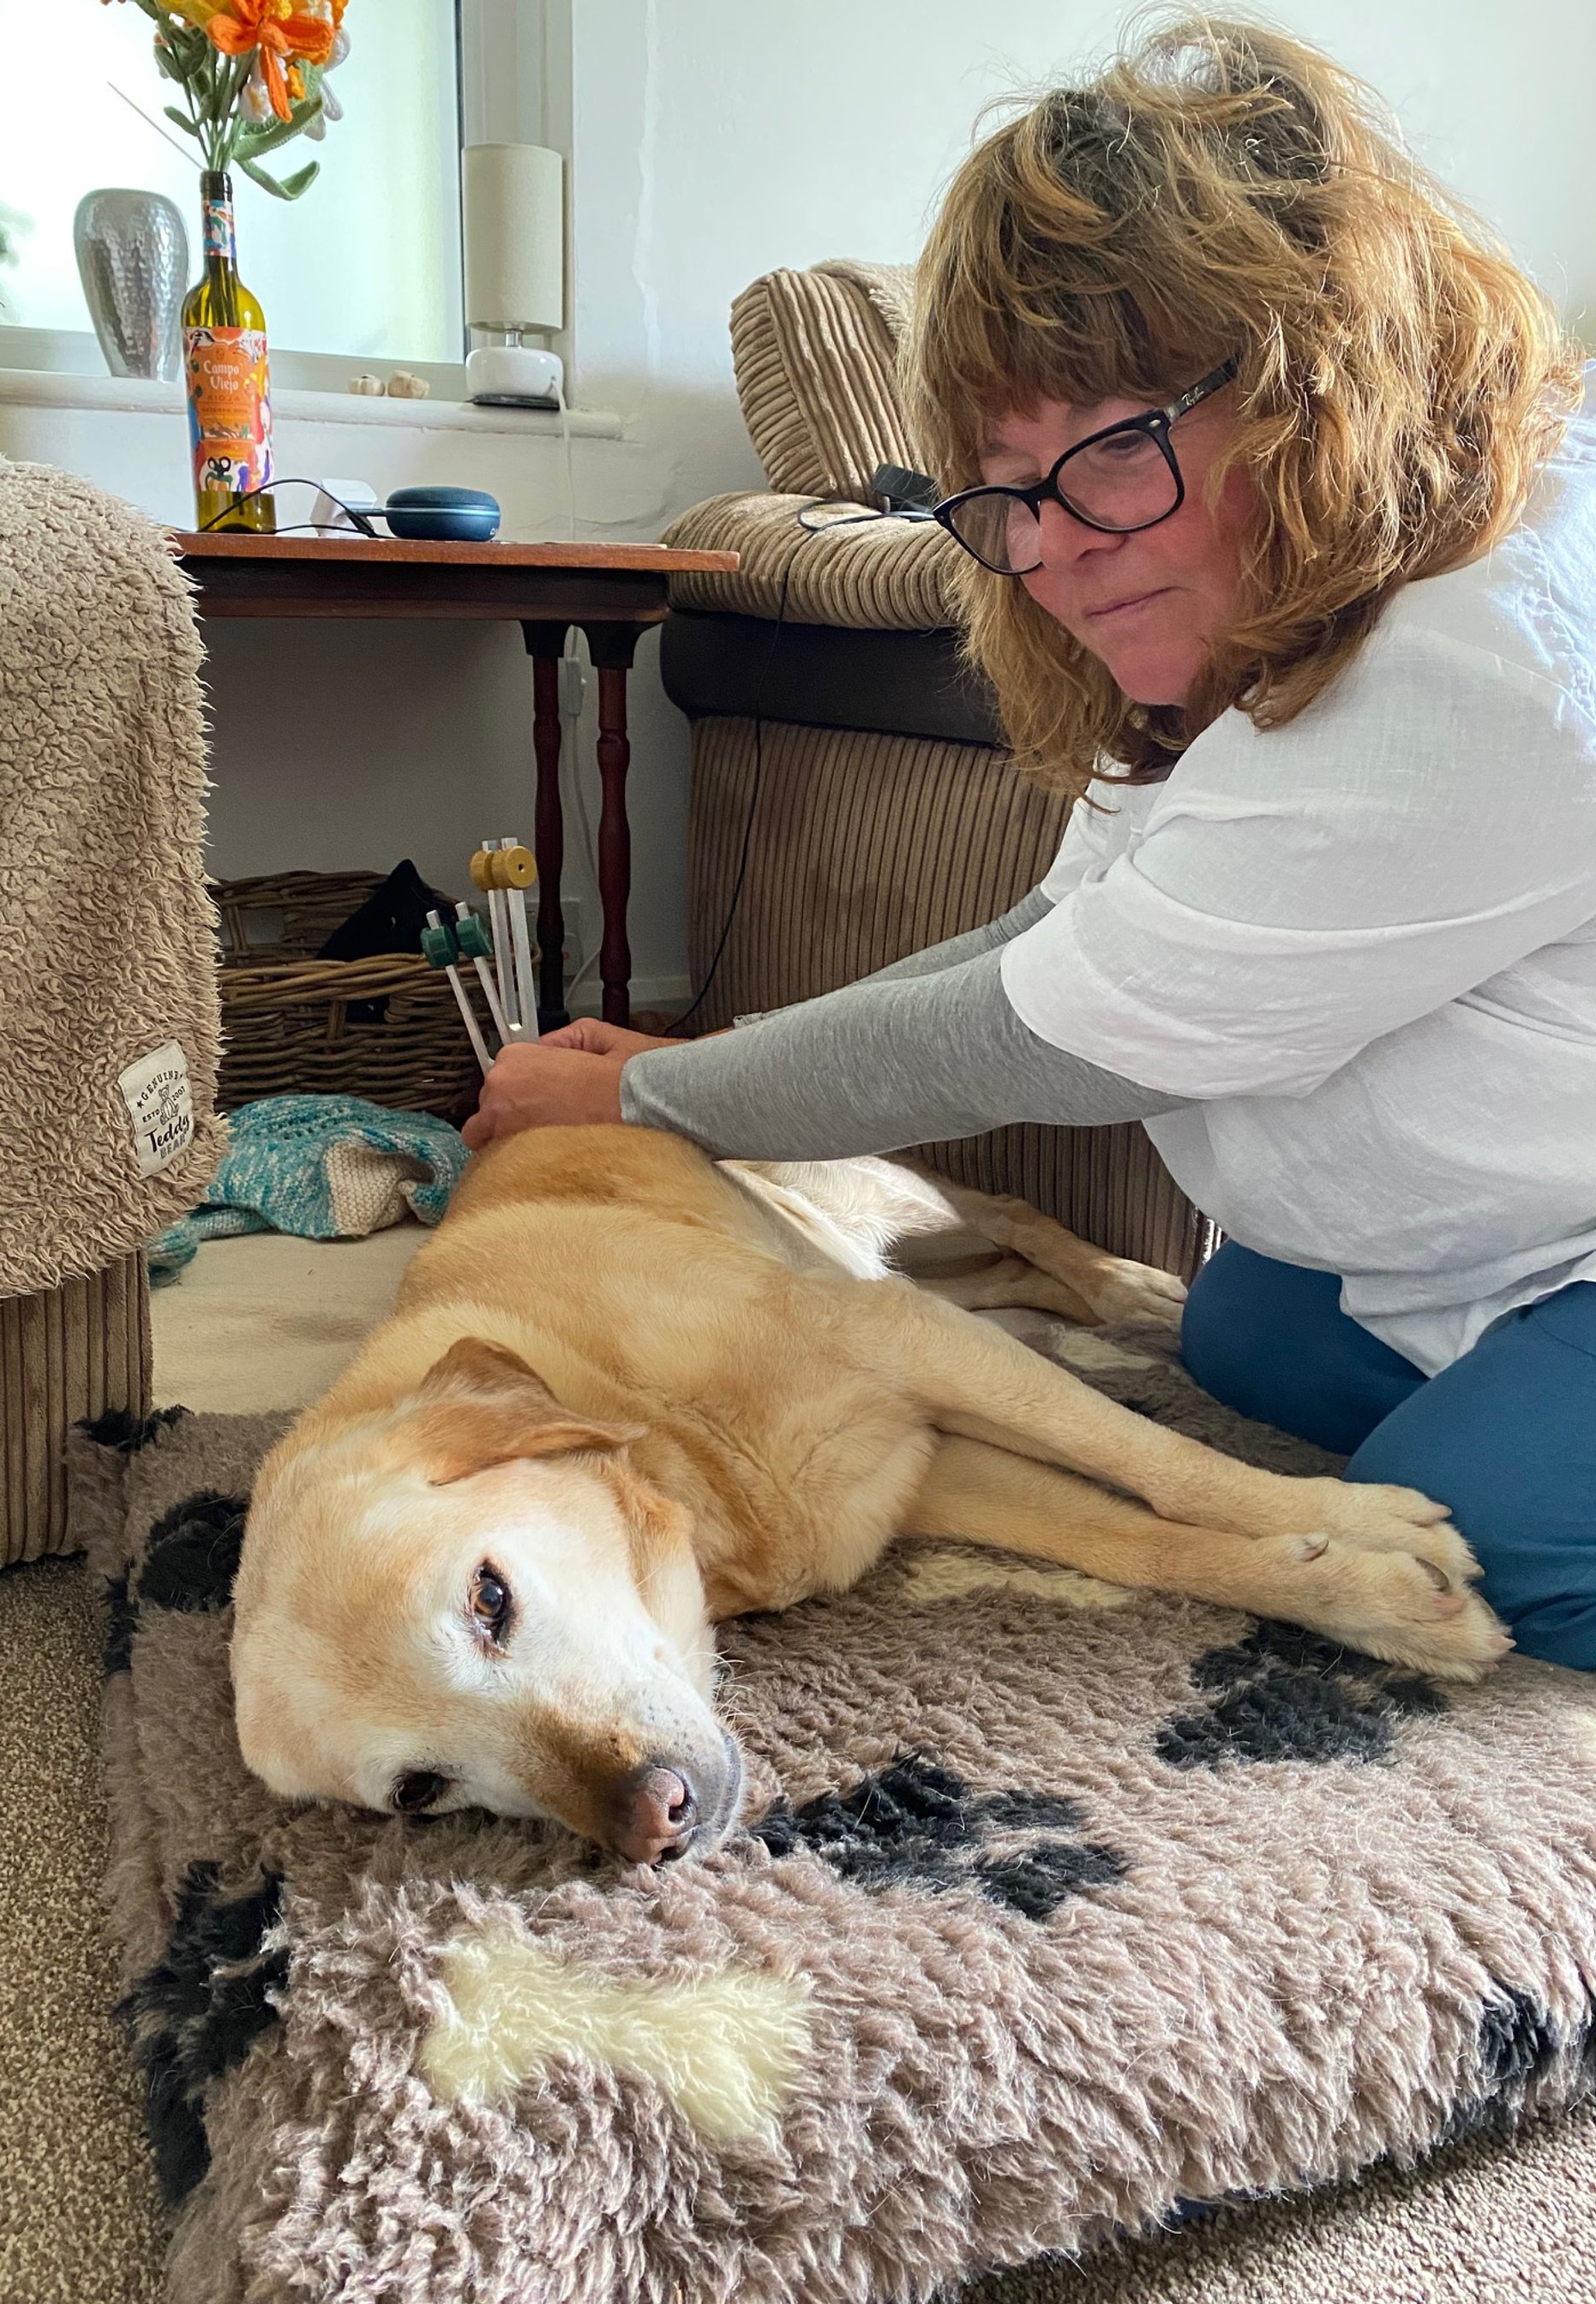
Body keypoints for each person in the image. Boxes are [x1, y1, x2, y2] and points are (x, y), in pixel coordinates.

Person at [462, 21, 1596, 1670]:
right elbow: (1052, 931)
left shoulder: (1478, 662)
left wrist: (647, 1092)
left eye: (1117, 447)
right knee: (1245, 1325)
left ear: (1313, 380)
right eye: (1003, 490)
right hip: (1528, 1228)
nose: (1048, 549)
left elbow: (1033, 1027)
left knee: (1476, 1541)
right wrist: (700, 1056)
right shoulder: (1269, 616)